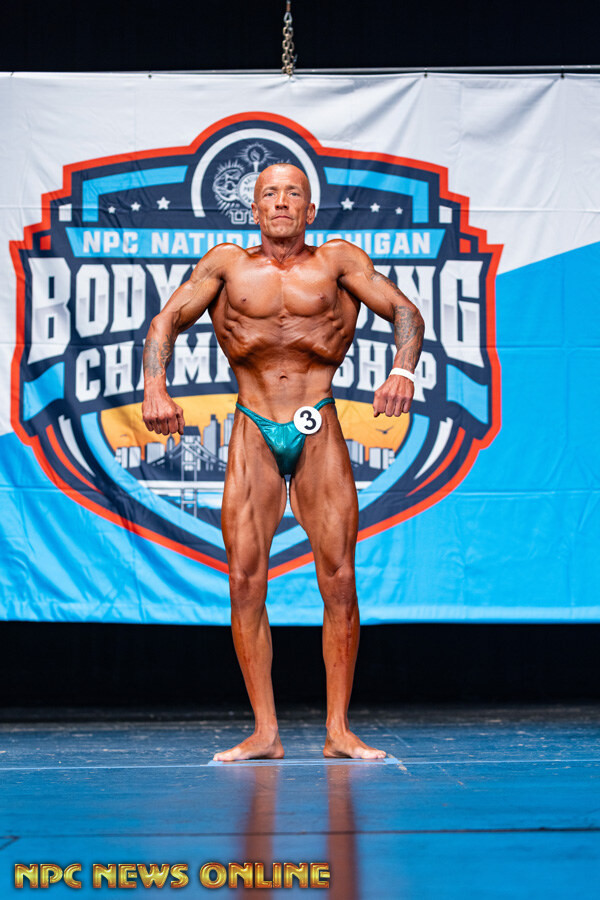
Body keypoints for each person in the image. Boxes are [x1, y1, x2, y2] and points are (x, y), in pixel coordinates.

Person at [142, 164, 424, 761]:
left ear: (309, 209)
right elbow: (166, 319)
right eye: (269, 193)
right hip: (253, 424)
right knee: (244, 581)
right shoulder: (226, 266)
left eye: (293, 193)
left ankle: (338, 730)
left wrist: (402, 370)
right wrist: (155, 386)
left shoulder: (338, 262)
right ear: (253, 208)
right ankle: (265, 733)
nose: (280, 202)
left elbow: (405, 312)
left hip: (317, 419)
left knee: (339, 579)